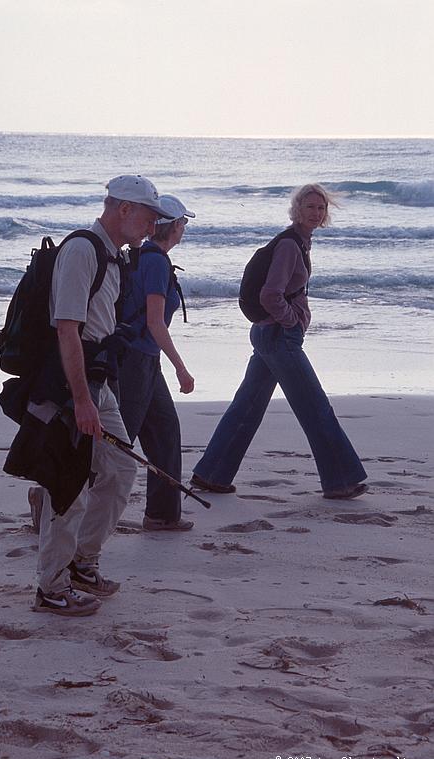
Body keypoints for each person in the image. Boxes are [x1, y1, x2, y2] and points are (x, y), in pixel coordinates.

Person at [29, 175, 174, 617]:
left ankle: (80, 563)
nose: (153, 227)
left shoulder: (114, 255)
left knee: (120, 470)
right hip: (71, 385)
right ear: (123, 209)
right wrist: (82, 400)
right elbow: (67, 329)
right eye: (149, 217)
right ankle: (51, 588)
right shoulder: (82, 250)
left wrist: (99, 391)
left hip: (98, 381)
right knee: (69, 484)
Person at [191, 183, 368, 500]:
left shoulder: (299, 241)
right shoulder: (289, 245)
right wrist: (290, 322)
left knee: (247, 406)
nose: (316, 213)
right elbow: (270, 295)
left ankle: (211, 475)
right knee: (315, 407)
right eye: (310, 207)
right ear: (297, 209)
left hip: (268, 335)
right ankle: (341, 480)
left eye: (321, 208)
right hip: (278, 337)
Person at [118, 194, 196, 531]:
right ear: (176, 226)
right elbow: (154, 322)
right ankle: (55, 504)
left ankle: (162, 514)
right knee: (117, 445)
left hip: (144, 360)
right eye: (184, 224)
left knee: (164, 432)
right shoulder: (155, 262)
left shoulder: (145, 256)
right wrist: (181, 366)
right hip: (135, 362)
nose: (184, 229)